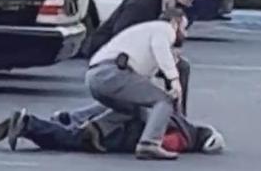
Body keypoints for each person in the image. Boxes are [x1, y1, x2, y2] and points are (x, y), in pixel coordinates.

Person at [70, 0, 195, 121]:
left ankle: (178, 118)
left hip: (135, 56)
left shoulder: (171, 15)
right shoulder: (141, 6)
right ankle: (76, 118)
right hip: (111, 57)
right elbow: (120, 35)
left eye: (184, 7)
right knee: (135, 99)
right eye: (178, 4)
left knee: (180, 68)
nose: (180, 10)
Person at [80, 9, 188, 160]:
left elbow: (142, 84)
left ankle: (95, 128)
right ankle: (149, 144)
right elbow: (160, 47)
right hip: (113, 72)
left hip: (96, 76)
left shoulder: (145, 32)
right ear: (175, 23)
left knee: (135, 108)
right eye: (184, 28)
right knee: (164, 100)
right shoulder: (164, 28)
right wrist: (174, 80)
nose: (185, 34)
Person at [0, 106, 225, 155]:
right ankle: (27, 125)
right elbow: (164, 144)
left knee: (74, 133)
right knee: (73, 140)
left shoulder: (180, 120)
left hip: (122, 120)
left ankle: (35, 124)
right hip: (123, 136)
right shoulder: (185, 138)